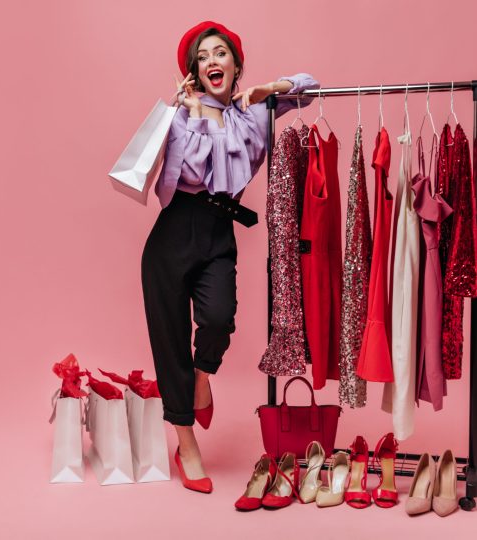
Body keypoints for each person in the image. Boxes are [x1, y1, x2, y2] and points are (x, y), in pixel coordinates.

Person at [141, 20, 319, 493]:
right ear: (194, 73)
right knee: (170, 340)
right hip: (173, 234)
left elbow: (310, 86)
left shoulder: (254, 111)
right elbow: (196, 171)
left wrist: (270, 88)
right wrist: (195, 113)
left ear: (236, 65)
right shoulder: (182, 116)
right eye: (202, 58)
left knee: (219, 317)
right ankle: (186, 442)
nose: (212, 62)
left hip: (220, 232)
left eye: (220, 53)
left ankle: (204, 378)